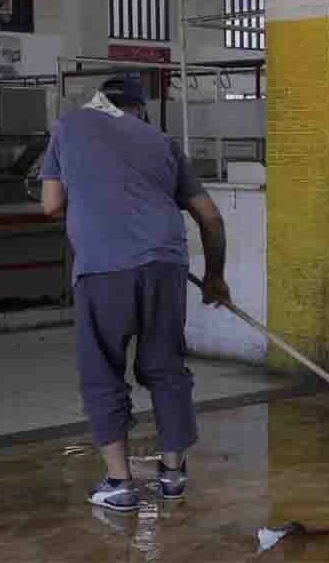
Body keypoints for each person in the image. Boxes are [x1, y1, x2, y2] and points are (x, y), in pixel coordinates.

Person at [40, 73, 231, 511]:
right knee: (166, 367)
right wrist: (215, 278)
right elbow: (211, 218)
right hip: (166, 264)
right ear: (140, 110)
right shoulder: (162, 142)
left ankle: (119, 483)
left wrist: (90, 201)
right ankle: (173, 475)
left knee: (102, 370)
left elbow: (51, 203)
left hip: (103, 267)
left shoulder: (68, 127)